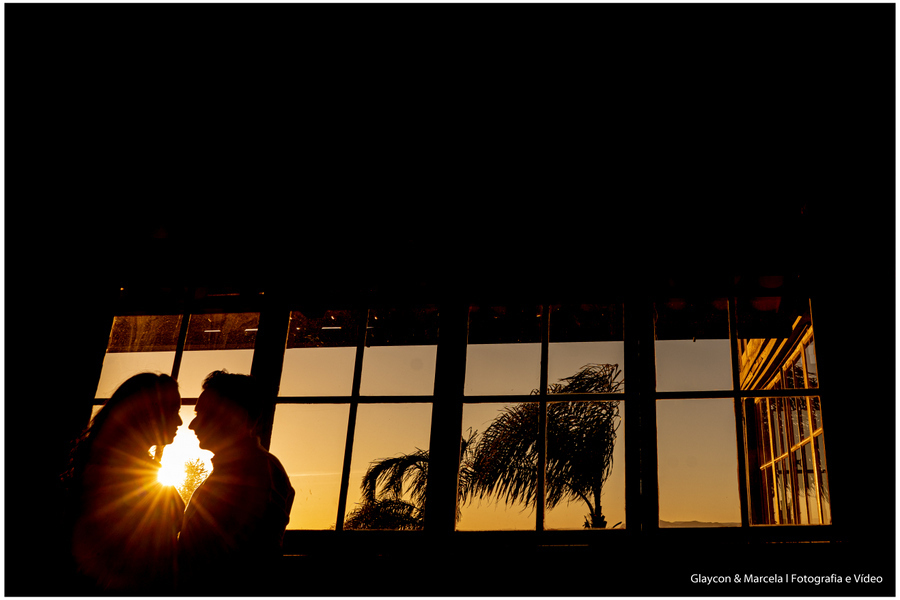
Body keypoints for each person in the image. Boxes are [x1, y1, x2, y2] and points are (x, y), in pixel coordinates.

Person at [178, 370, 295, 594]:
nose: (192, 425)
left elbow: (235, 559)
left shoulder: (254, 473)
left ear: (236, 416)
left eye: (203, 413)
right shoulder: (246, 469)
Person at [66, 373, 184, 593]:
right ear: (150, 413)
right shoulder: (115, 476)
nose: (180, 421)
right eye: (173, 410)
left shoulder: (127, 469)